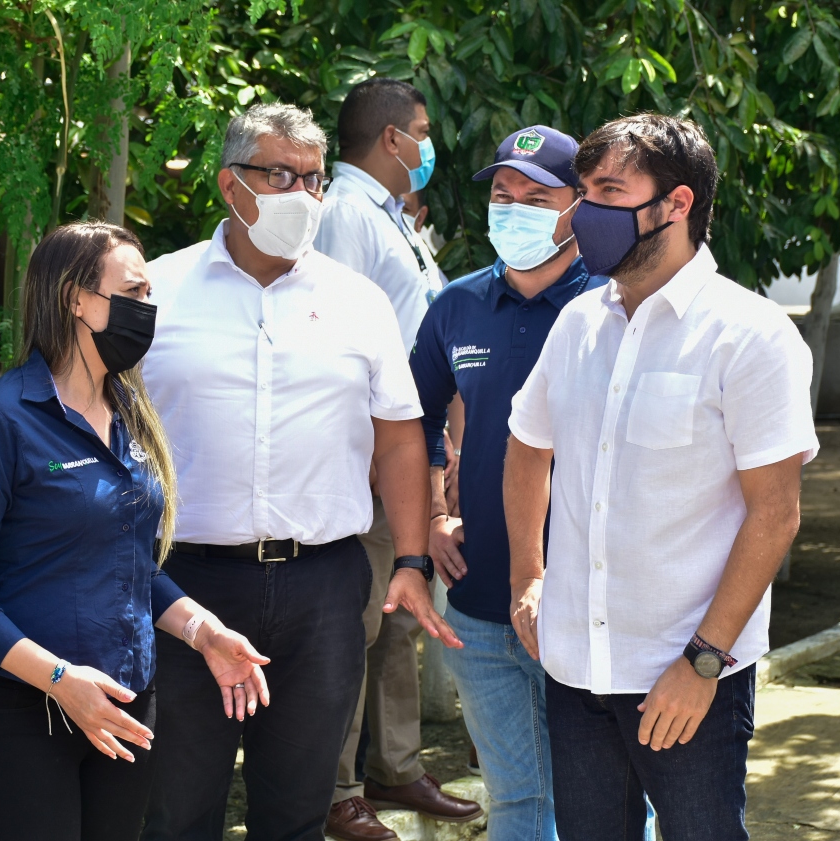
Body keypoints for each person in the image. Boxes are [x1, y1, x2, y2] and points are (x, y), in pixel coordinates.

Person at [138, 102, 462, 841]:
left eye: (313, 180)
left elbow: (401, 440)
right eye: (279, 174)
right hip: (187, 584)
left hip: (321, 587)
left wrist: (411, 557)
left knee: (297, 809)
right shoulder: (159, 290)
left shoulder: (357, 300)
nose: (301, 194)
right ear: (230, 185)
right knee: (178, 808)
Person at [503, 114, 818, 841]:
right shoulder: (579, 324)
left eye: (609, 189)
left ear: (676, 205)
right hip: (576, 669)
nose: (583, 212)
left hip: (686, 676)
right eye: (582, 191)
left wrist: (703, 662)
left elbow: (774, 515)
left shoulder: (751, 334)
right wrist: (530, 574)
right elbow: (527, 447)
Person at [0, 221, 271, 841]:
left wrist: (205, 632)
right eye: (132, 293)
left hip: (126, 707)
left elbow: (129, 562)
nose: (147, 309)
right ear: (75, 300)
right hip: (20, 717)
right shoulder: (1, 419)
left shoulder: (131, 412)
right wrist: (60, 679)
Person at [411, 125, 605, 841]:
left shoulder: (613, 305)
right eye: (503, 194)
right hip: (479, 613)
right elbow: (411, 418)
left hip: (590, 610)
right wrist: (431, 516)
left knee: (610, 807)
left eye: (535, 195)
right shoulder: (457, 306)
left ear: (579, 205)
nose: (514, 206)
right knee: (518, 805)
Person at [314, 78, 482, 841]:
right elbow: (330, 333)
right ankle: (339, 787)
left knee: (398, 614)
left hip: (410, 451)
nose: (426, 145)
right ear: (390, 139)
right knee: (357, 619)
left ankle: (396, 765)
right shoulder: (346, 214)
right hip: (369, 451)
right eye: (421, 130)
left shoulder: (391, 217)